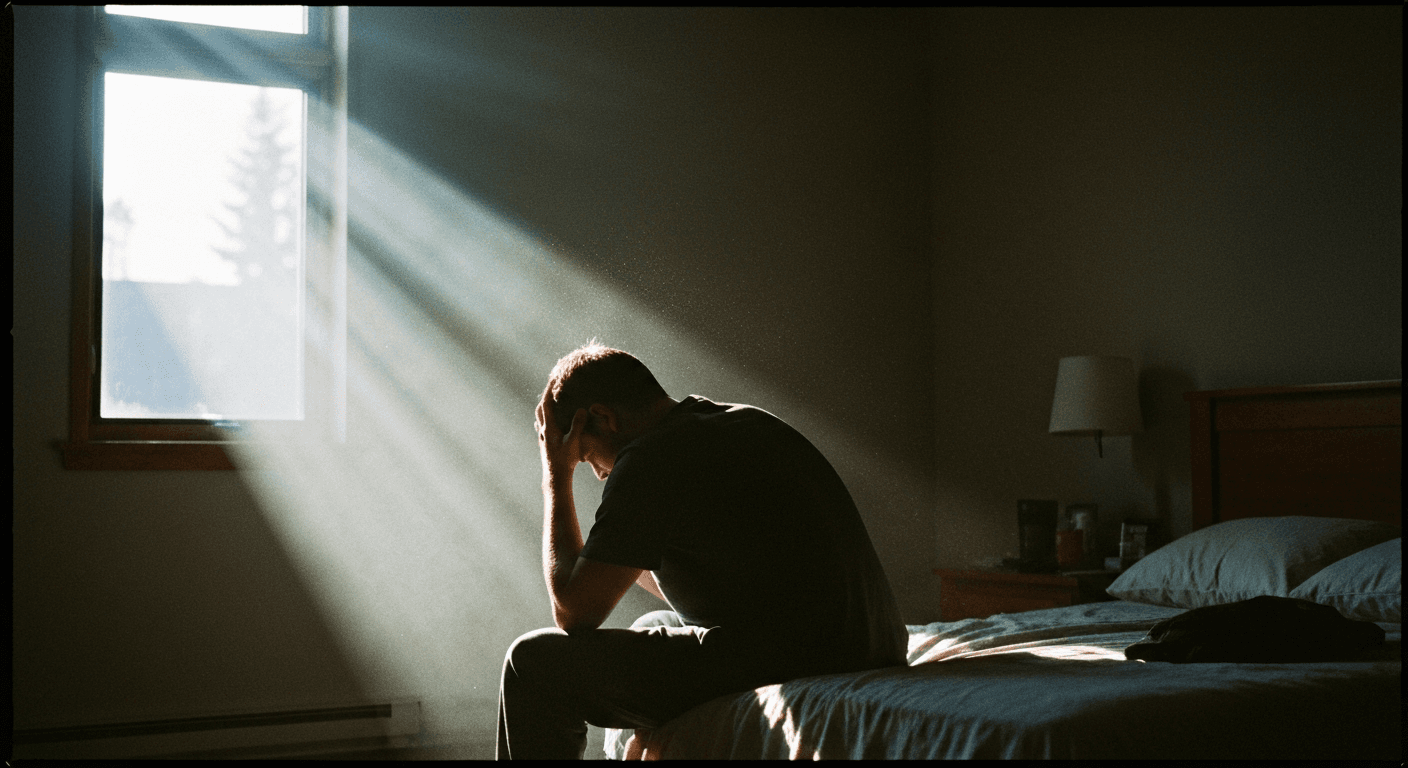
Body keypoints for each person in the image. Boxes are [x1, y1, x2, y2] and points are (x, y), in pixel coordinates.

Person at [496, 342, 906, 760]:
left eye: (586, 457)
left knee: (530, 665)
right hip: (871, 642)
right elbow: (695, 581)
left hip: (805, 657)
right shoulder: (737, 422)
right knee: (652, 620)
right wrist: (611, 540)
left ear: (603, 418)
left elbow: (574, 610)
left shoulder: (651, 458)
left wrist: (555, 475)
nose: (601, 474)